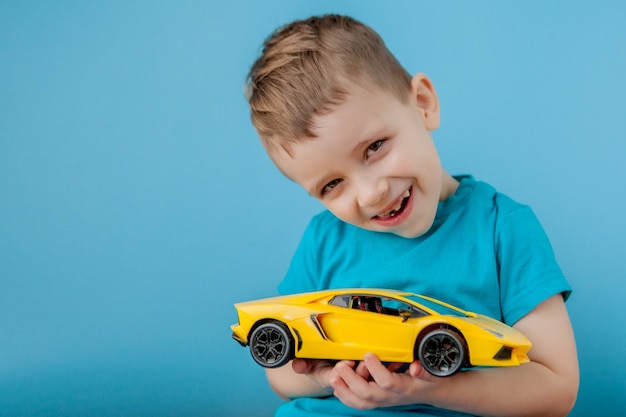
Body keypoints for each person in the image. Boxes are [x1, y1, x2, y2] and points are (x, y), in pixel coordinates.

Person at [244, 14, 579, 417]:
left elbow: (555, 388)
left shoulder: (501, 227)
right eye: (331, 185)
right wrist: (323, 374)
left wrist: (429, 390)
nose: (370, 194)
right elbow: (280, 374)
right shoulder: (323, 240)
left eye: (375, 147)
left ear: (422, 104)